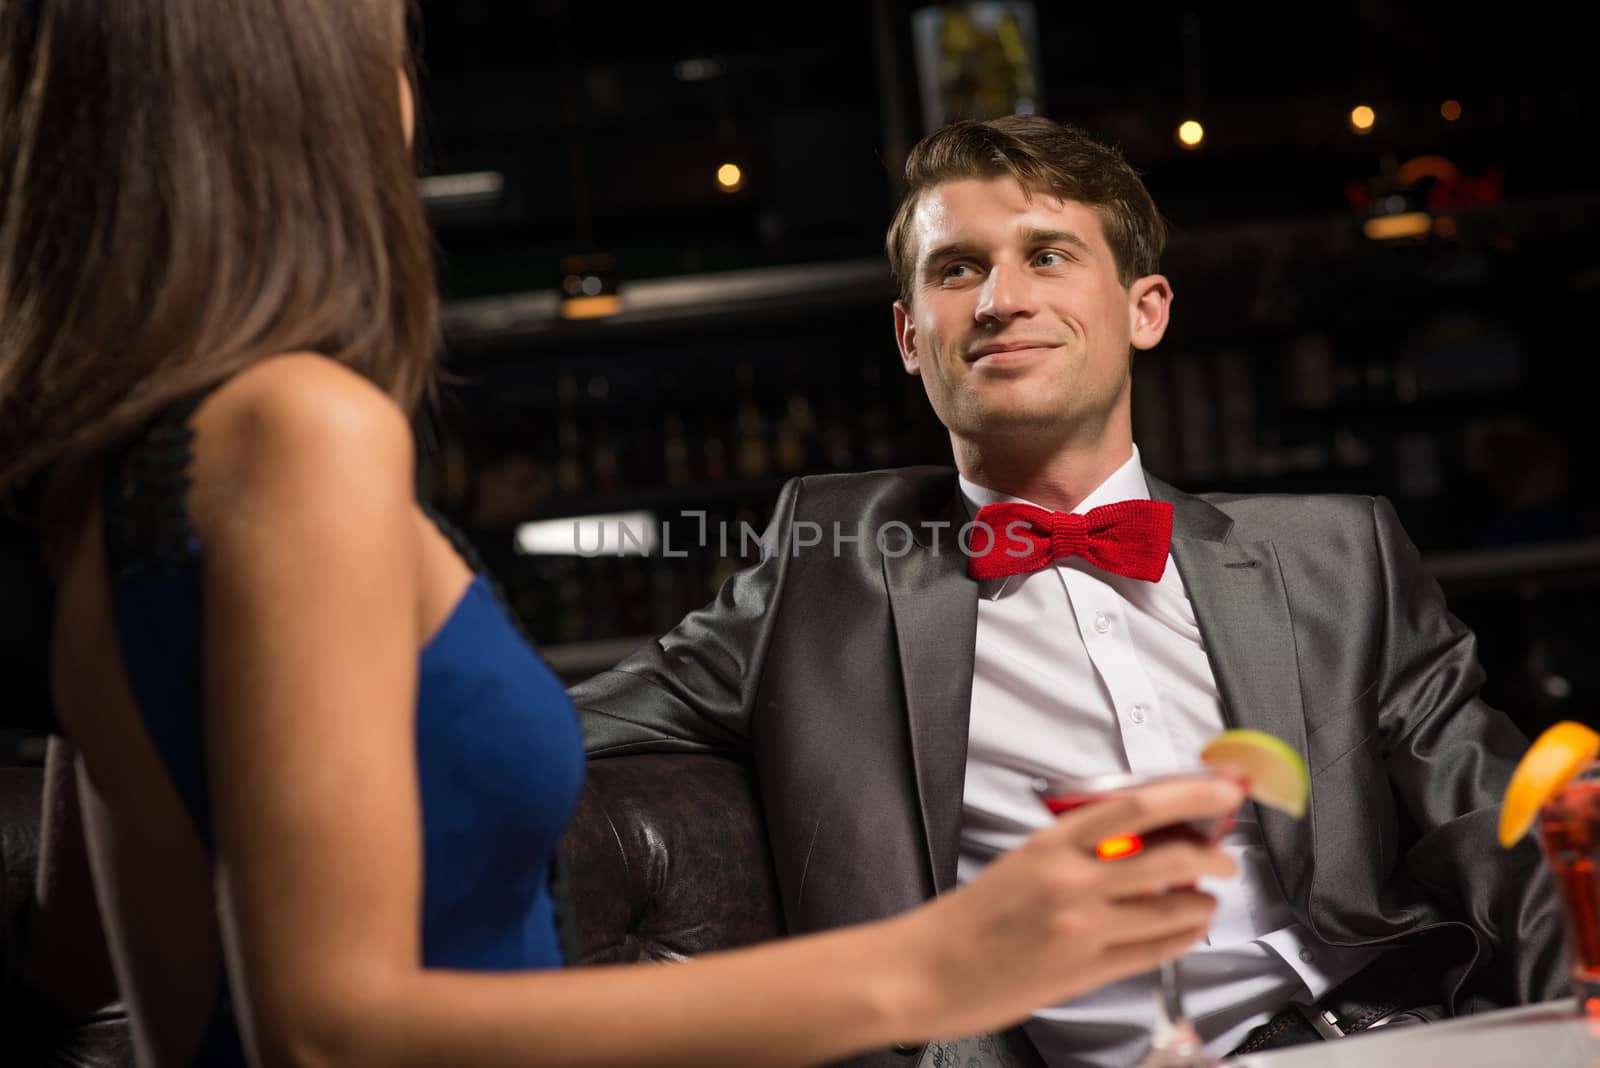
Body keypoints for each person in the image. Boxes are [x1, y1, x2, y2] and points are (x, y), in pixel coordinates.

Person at [0, 5, 1251, 1066]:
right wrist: (934, 968)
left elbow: (75, 941)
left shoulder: (113, 471)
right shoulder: (300, 427)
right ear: (310, 96)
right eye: (386, 42)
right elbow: (326, 1033)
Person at [572, 114, 1567, 1067]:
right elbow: (544, 733)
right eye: (957, 270)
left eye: (1048, 255)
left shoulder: (1334, 557)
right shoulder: (829, 569)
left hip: (1388, 1035)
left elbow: (1504, 828)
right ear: (910, 336)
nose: (1002, 299)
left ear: (1145, 310)